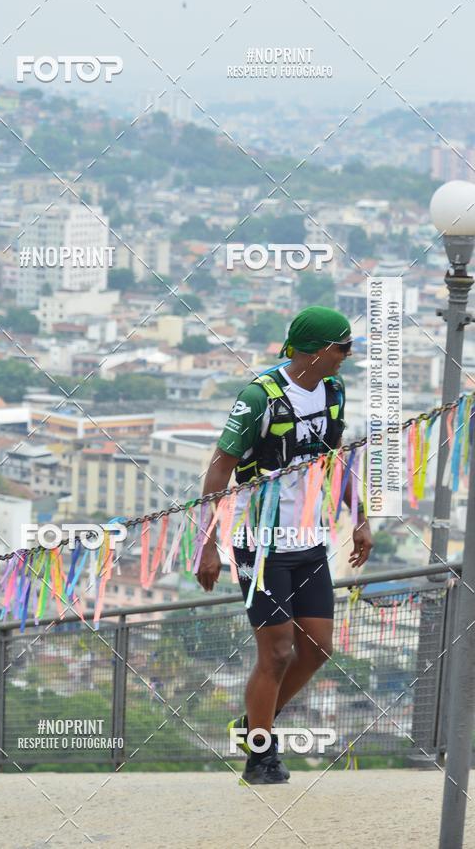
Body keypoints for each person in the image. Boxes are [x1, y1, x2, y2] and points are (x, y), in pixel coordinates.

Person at [197, 306, 373, 785]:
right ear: (316, 351)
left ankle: (254, 724)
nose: (348, 357)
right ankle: (261, 755)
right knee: (275, 653)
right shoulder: (260, 397)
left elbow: (336, 458)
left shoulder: (333, 391)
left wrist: (360, 518)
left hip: (309, 537)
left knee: (317, 647)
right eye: (343, 348)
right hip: (260, 540)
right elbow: (219, 469)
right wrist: (207, 545)